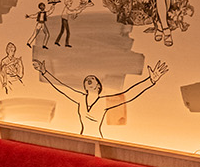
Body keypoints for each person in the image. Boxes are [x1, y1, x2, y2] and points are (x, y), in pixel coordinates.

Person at [32, 59, 168, 137]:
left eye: (92, 79)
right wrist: (44, 72)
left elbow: (129, 94)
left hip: (97, 139)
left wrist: (151, 80)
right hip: (82, 138)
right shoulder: (80, 99)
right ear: (85, 87)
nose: (88, 80)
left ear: (98, 86)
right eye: (87, 80)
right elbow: (62, 88)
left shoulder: (103, 102)